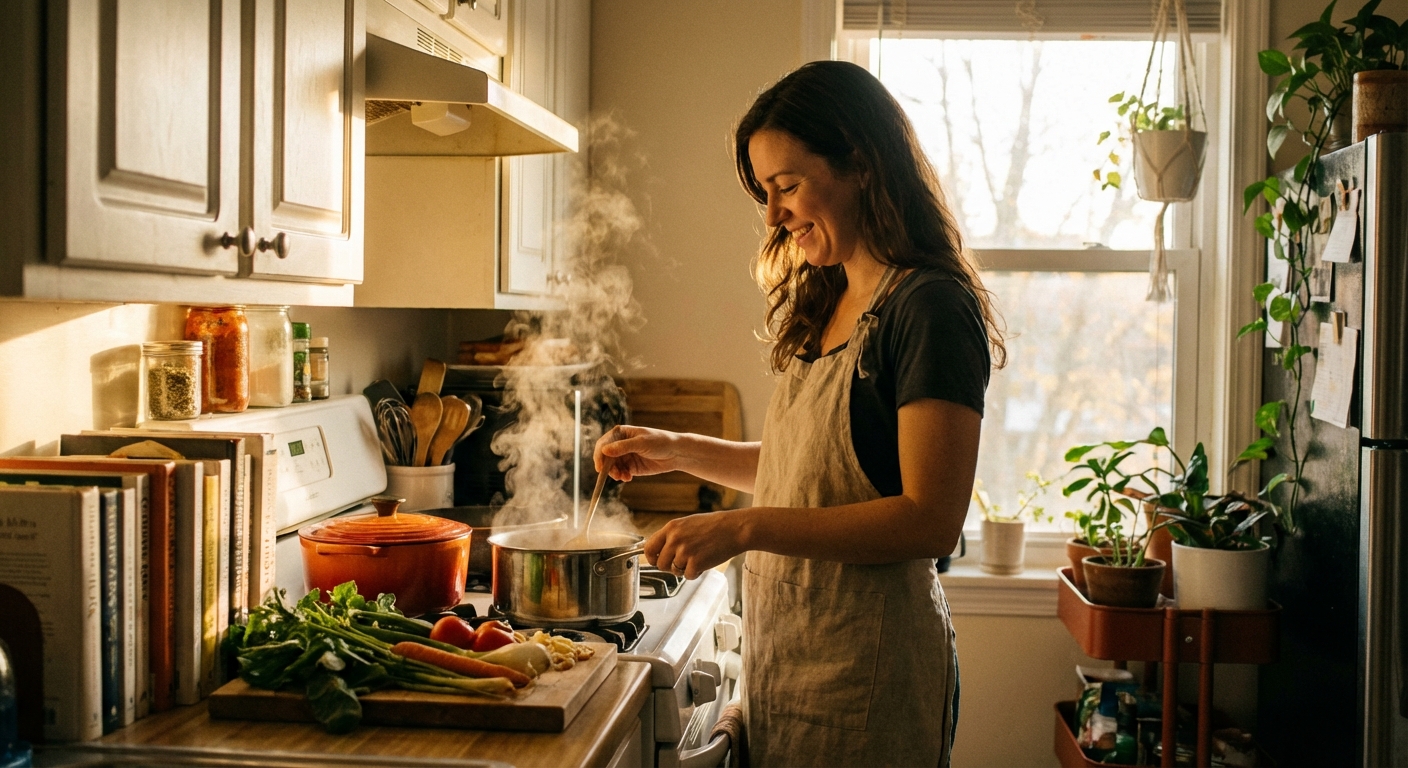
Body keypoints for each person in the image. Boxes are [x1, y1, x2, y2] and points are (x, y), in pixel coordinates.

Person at [594, 60, 1006, 767]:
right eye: (765, 193)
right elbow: (813, 474)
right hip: (792, 661)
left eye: (787, 186)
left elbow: (929, 517)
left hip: (869, 676)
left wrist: (743, 526)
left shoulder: (929, 307)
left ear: (863, 163)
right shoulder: (829, 297)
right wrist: (678, 447)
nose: (774, 215)